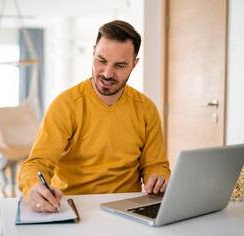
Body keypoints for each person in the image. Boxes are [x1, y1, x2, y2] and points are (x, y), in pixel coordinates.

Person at [18, 20, 171, 213]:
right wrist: (33, 186)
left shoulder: (146, 109)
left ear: (134, 64)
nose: (107, 73)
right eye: (101, 60)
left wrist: (158, 177)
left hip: (127, 209)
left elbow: (156, 165)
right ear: (93, 53)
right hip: (73, 207)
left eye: (120, 66)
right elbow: (37, 163)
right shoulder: (65, 105)